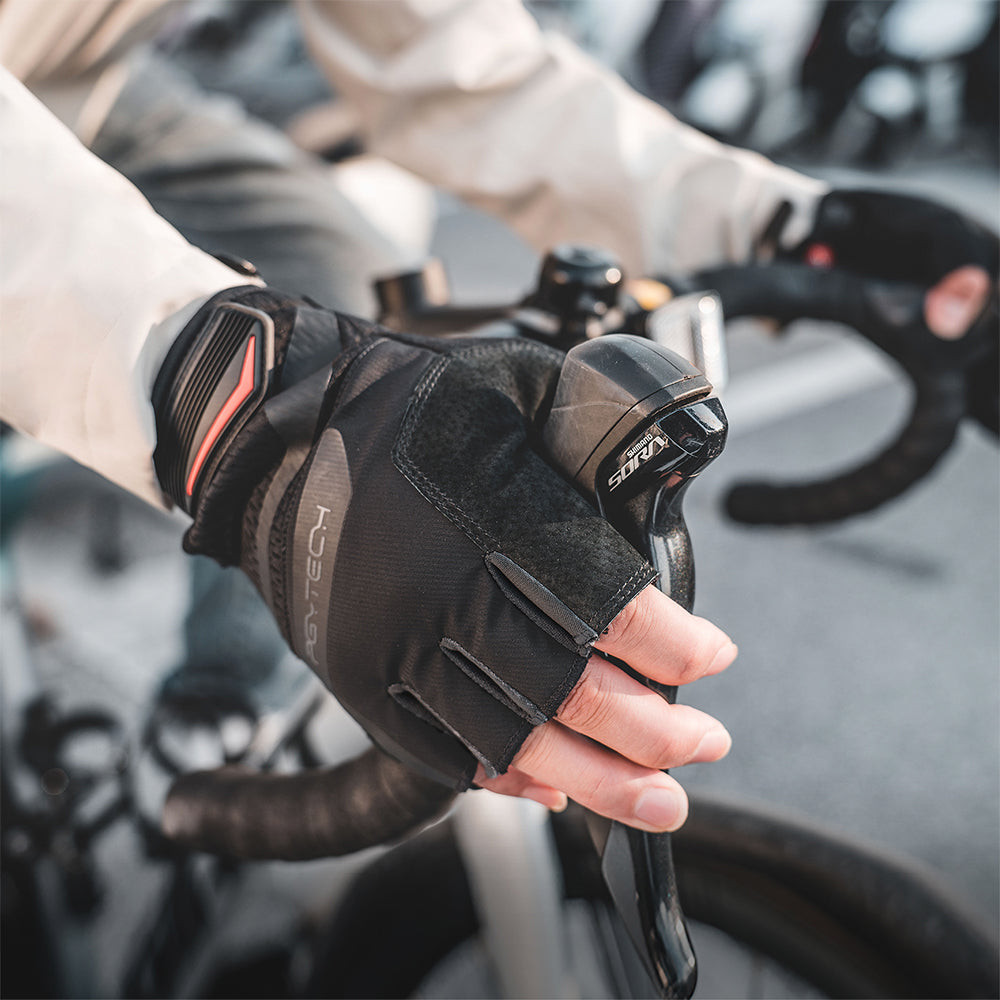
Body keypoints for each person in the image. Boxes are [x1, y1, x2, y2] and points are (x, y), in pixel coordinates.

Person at [1, 0, 995, 831]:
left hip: (82, 81)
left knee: (343, 278)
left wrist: (789, 230)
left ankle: (221, 688)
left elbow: (449, 58)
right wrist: (235, 395)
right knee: (275, 403)